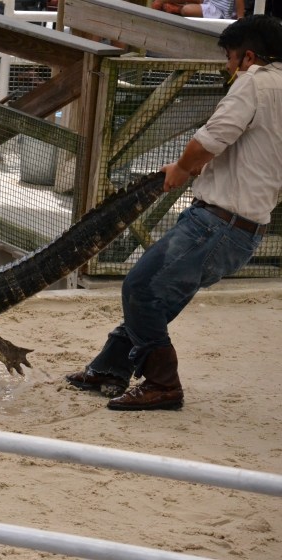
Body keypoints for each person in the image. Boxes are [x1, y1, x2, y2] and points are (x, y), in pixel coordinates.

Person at [66, 14, 282, 411]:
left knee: (140, 288)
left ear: (249, 56)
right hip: (245, 230)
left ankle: (163, 384)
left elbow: (211, 138)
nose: (229, 68)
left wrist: (182, 169)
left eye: (231, 59)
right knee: (159, 297)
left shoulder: (255, 82)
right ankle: (111, 366)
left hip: (218, 222)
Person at [152, 0, 244, 19]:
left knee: (186, 10)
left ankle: (176, 9)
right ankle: (161, 1)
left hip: (219, 11)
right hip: (209, 1)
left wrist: (240, 17)